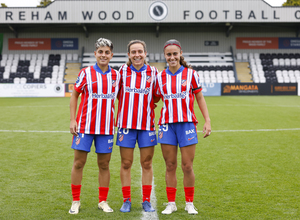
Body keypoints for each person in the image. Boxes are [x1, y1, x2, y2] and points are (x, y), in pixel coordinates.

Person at [154, 39, 211, 215]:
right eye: (169, 54)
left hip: (186, 124)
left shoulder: (191, 74)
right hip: (167, 126)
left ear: (180, 54)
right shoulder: (159, 77)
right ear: (165, 56)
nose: (172, 57)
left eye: (175, 54)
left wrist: (207, 120)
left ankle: (189, 203)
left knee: (187, 166)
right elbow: (154, 100)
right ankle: (171, 203)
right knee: (170, 165)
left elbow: (200, 98)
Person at [69, 38, 120, 214]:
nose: (103, 55)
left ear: (111, 55)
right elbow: (75, 95)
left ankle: (103, 201)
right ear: (95, 54)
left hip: (106, 129)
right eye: (100, 52)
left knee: (104, 165)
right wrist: (73, 120)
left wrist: (119, 117)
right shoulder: (85, 73)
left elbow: (122, 98)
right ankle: (75, 201)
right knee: (78, 163)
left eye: (107, 52)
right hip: (84, 127)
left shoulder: (117, 75)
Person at [116, 40, 158, 212]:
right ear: (128, 55)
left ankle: (146, 200)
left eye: (140, 51)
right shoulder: (121, 72)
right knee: (126, 163)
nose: (137, 54)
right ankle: (126, 200)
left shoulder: (154, 72)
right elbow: (117, 95)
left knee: (146, 163)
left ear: (145, 53)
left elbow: (156, 96)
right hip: (126, 125)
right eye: (133, 52)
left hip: (147, 125)